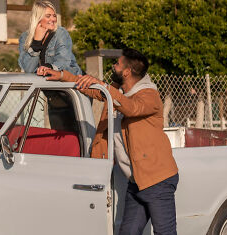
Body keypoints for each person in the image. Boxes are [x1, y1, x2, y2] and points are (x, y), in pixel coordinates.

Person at [44, 48, 178, 235]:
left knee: (165, 233)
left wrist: (105, 88)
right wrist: (61, 76)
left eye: (117, 64)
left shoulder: (149, 95)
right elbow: (93, 90)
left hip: (157, 180)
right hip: (136, 181)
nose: (113, 66)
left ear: (127, 72)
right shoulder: (119, 91)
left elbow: (132, 108)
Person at [18, 0, 81, 76]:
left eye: (54, 16)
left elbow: (64, 61)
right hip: (41, 84)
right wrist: (36, 43)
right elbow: (28, 69)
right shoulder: (25, 37)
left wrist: (49, 67)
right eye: (48, 16)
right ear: (38, 18)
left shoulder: (61, 33)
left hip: (68, 82)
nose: (53, 19)